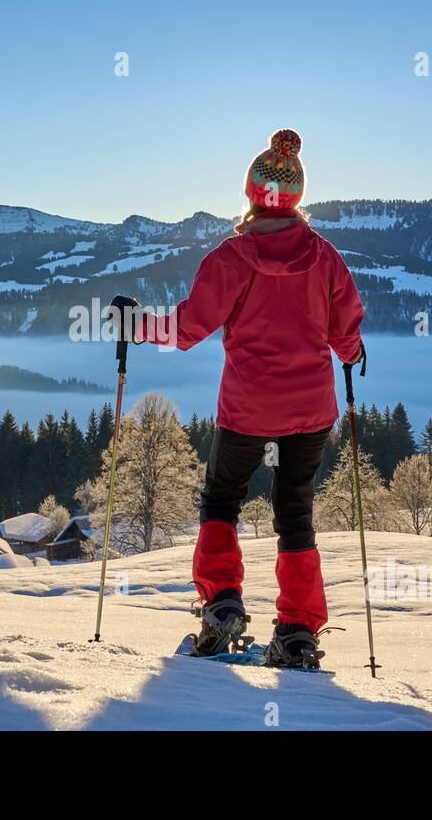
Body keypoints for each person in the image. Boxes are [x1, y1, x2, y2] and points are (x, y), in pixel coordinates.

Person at [113, 129, 364, 669]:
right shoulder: (325, 259)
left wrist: (136, 325)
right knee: (295, 513)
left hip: (248, 408)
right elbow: (346, 336)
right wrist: (350, 349)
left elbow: (187, 329)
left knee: (222, 499)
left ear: (251, 194)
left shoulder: (233, 257)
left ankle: (221, 605)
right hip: (311, 409)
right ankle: (298, 631)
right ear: (296, 197)